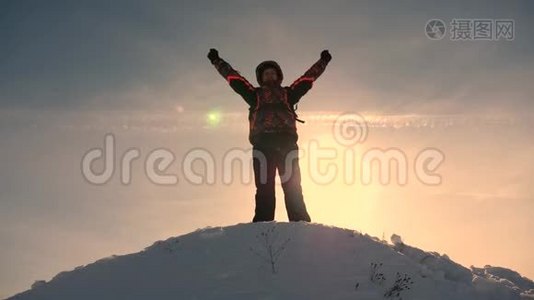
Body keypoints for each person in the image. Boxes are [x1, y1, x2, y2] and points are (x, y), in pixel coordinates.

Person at [207, 48, 331, 222]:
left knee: (293, 186)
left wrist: (322, 62)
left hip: (287, 144)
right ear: (261, 78)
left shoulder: (288, 94)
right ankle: (263, 225)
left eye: (273, 73)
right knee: (264, 187)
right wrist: (216, 60)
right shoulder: (254, 94)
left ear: (278, 76)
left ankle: (300, 222)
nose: (270, 75)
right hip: (262, 145)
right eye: (266, 73)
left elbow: (307, 79)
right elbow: (234, 79)